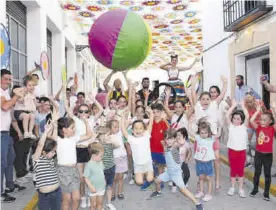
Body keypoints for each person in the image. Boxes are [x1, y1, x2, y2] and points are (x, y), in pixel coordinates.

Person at [149, 129, 203, 210]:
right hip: (168, 172)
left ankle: (198, 204)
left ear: (174, 139)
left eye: (170, 138)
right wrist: (164, 147)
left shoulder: (174, 148)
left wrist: (178, 144)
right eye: (167, 139)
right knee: (157, 180)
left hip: (176, 174)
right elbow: (167, 154)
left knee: (183, 190)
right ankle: (158, 192)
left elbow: (177, 151)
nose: (168, 141)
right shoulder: (168, 147)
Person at [1, 69, 26, 202]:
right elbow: (5, 107)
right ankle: (1, 192)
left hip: (6, 132)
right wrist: (16, 96)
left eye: (10, 79)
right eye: (6, 79)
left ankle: (9, 186)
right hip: (1, 133)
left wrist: (18, 131)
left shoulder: (5, 92)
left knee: (11, 158)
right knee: (2, 162)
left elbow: (10, 115)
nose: (9, 82)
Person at [33, 108, 61, 210]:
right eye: (53, 152)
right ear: (43, 152)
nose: (54, 153)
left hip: (57, 191)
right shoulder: (37, 159)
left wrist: (55, 125)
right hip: (44, 196)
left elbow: (54, 141)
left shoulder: (49, 159)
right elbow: (40, 145)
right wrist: (46, 131)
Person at [249, 103, 276, 201]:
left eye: (264, 120)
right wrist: (257, 111)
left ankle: (266, 193)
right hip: (259, 154)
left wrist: (273, 111)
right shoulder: (258, 128)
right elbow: (251, 120)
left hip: (268, 155)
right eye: (261, 119)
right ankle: (255, 189)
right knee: (257, 172)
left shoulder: (272, 129)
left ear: (270, 121)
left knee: (267, 174)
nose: (262, 121)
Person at [121, 107, 154, 186]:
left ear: (144, 130)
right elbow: (123, 130)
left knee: (150, 179)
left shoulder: (146, 135)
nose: (138, 130)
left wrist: (151, 114)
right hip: (138, 165)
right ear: (132, 130)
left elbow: (151, 124)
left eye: (140, 128)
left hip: (147, 163)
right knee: (139, 182)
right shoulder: (131, 139)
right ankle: (141, 174)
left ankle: (146, 173)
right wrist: (123, 117)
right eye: (136, 128)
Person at [226, 99, 248, 198]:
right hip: (232, 151)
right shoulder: (230, 127)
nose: (235, 120)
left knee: (240, 171)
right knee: (233, 170)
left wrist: (243, 105)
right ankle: (232, 187)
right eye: (234, 118)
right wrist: (233, 106)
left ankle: (241, 189)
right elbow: (227, 115)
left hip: (241, 152)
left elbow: (247, 116)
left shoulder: (244, 127)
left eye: (238, 119)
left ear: (242, 120)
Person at [194, 121, 216, 202]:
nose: (203, 134)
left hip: (207, 163)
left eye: (205, 133)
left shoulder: (211, 139)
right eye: (202, 133)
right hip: (199, 162)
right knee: (201, 177)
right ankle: (201, 191)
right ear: (199, 132)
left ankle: (209, 194)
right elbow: (192, 130)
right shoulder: (198, 138)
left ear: (209, 132)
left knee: (208, 178)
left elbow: (217, 134)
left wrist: (219, 125)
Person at [14, 75, 37, 139]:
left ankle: (30, 132)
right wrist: (22, 94)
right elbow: (15, 90)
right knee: (26, 116)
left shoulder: (33, 94)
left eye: (33, 85)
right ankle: (26, 132)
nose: (32, 87)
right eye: (29, 85)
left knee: (32, 116)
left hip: (28, 112)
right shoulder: (23, 90)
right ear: (25, 86)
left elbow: (35, 104)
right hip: (19, 111)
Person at [84, 142, 106, 210]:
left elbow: (102, 172)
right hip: (93, 188)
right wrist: (91, 187)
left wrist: (104, 180)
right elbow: (86, 177)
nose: (102, 157)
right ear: (93, 156)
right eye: (101, 156)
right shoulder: (89, 165)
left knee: (100, 204)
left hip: (101, 187)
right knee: (93, 205)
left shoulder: (100, 162)